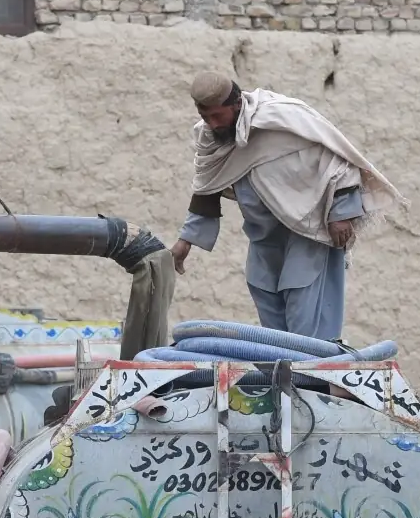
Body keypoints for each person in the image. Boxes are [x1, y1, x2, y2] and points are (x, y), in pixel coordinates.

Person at [170, 72, 405, 341]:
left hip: (307, 230)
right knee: (269, 309)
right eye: (205, 116)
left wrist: (341, 213)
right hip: (263, 238)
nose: (212, 124)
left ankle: (309, 376)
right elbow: (207, 186)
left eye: (217, 116)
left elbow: (337, 159)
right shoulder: (211, 139)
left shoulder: (281, 118)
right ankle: (282, 375)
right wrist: (185, 241)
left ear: (235, 104)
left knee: (305, 315)